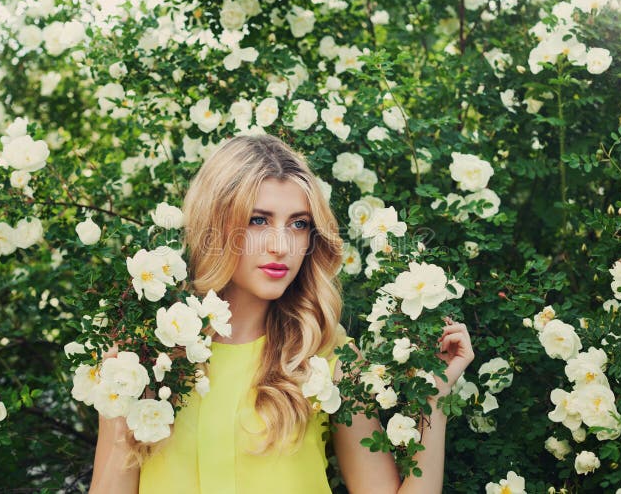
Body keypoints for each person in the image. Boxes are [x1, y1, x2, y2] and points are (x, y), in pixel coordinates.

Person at [89, 134, 475, 494]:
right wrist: (119, 401)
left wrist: (433, 403)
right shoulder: (147, 353)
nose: (281, 245)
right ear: (216, 224)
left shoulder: (324, 351)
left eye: (299, 224)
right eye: (258, 220)